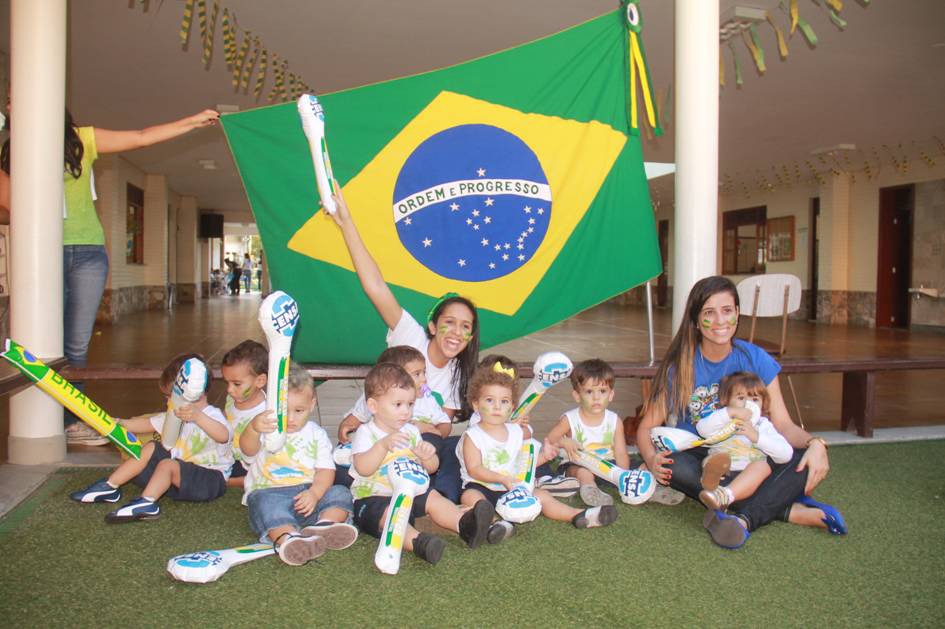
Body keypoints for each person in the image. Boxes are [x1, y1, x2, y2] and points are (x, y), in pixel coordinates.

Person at [0, 105, 219, 445]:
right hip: (42, 253)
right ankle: (41, 422)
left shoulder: (81, 140)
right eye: (10, 100)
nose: (12, 104)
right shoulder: (12, 149)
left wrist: (191, 122)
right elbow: (12, 205)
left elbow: (141, 137)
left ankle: (71, 421)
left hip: (89, 253)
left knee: (76, 345)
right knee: (40, 340)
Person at [636, 276, 844, 550]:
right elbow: (645, 427)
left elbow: (783, 424)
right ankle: (784, 507)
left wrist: (815, 444)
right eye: (709, 313)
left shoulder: (755, 358)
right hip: (704, 455)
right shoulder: (681, 367)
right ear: (696, 320)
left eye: (727, 310)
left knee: (799, 458)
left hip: (750, 450)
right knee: (673, 465)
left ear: (737, 313)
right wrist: (651, 459)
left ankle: (744, 516)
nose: (720, 321)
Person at [329, 187, 480, 503]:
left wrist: (414, 428)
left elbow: (440, 429)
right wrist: (345, 223)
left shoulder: (457, 373)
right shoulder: (410, 335)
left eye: (465, 327)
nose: (456, 332)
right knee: (341, 470)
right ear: (433, 326)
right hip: (375, 441)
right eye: (449, 322)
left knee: (450, 449)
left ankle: (440, 500)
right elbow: (375, 285)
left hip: (415, 451)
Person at [349, 363, 495, 567]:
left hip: (412, 493)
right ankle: (419, 542)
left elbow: (431, 469)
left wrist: (427, 456)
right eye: (398, 404)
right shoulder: (366, 433)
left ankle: (464, 524)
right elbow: (363, 468)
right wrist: (382, 446)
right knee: (388, 515)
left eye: (410, 404)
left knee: (433, 497)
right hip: (374, 497)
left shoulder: (411, 432)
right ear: (373, 406)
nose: (406, 411)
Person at [69, 353, 231, 523]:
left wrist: (198, 417)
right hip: (178, 478)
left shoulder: (212, 415)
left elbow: (223, 436)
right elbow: (144, 424)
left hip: (210, 481)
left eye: (170, 396)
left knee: (167, 464)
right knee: (152, 447)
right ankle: (110, 487)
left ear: (194, 393)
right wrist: (115, 423)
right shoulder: (173, 415)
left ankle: (147, 502)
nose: (167, 401)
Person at [458, 360, 618, 532]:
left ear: (512, 406)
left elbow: (525, 463)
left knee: (542, 495)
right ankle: (496, 524)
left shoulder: (517, 432)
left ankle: (578, 515)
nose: (497, 406)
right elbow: (474, 469)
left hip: (513, 487)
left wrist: (545, 456)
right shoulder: (473, 436)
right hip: (482, 486)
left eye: (504, 401)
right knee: (470, 497)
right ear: (476, 404)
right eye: (490, 400)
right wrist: (501, 479)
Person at [240, 362, 357, 566]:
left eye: (299, 410)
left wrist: (315, 493)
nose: (291, 418)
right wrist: (252, 429)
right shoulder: (264, 427)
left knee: (340, 492)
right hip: (270, 492)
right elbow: (247, 450)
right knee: (264, 504)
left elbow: (325, 470)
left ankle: (324, 525)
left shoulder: (316, 434)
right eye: (284, 411)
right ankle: (289, 538)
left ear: (311, 405)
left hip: (308, 495)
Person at [695, 371, 794, 512]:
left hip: (748, 477)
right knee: (713, 459)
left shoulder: (762, 426)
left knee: (762, 466)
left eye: (755, 399)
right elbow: (702, 429)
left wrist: (757, 437)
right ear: (726, 400)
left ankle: (724, 496)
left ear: (763, 403)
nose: (748, 404)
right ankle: (711, 478)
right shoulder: (722, 419)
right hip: (723, 472)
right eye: (741, 398)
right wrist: (729, 413)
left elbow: (786, 455)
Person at [546, 359, 629, 507]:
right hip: (579, 464)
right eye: (589, 392)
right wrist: (563, 441)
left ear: (611, 394)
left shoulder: (615, 421)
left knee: (641, 466)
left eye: (602, 391)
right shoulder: (569, 419)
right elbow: (550, 440)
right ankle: (590, 489)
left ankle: (650, 488)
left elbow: (621, 453)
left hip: (607, 465)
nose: (596, 397)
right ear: (577, 395)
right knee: (583, 473)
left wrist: (624, 476)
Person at [220, 340, 269, 488]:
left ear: (260, 381)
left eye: (236, 384)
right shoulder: (232, 398)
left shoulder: (265, 412)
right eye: (227, 383)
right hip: (226, 455)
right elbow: (226, 418)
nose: (229, 389)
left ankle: (237, 481)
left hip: (247, 463)